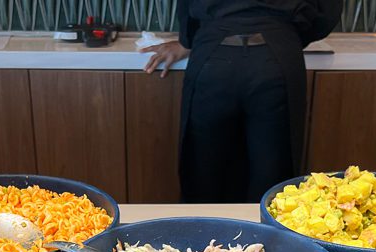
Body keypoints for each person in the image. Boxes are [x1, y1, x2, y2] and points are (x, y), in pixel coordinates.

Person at [143, 1, 342, 204]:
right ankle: (266, 235)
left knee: (203, 174)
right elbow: (327, 13)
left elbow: (187, 12)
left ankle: (201, 232)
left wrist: (189, 39)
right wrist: (285, 35)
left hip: (214, 53)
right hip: (277, 55)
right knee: (273, 179)